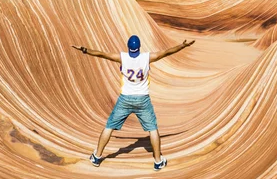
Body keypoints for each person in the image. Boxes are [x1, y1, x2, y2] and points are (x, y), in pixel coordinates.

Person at [73, 35, 195, 171]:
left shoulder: (122, 58)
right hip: (143, 99)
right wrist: (182, 46)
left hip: (125, 98)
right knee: (152, 129)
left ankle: (96, 156)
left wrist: (84, 49)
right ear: (139, 47)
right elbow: (166, 52)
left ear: (128, 47)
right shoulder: (147, 58)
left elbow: (101, 54)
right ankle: (158, 161)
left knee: (109, 127)